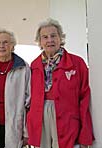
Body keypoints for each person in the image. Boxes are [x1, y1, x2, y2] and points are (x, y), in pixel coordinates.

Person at [27, 18, 95, 148]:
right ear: (40, 41)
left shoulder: (77, 63)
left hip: (67, 119)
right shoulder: (34, 65)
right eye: (45, 37)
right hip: (40, 117)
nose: (49, 40)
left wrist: (85, 132)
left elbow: (84, 98)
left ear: (60, 38)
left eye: (53, 36)